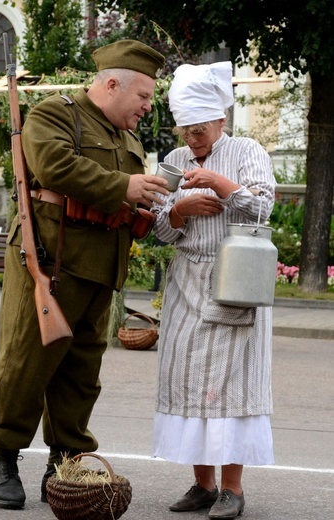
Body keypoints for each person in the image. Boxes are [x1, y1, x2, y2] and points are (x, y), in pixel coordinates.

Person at [0, 39, 168, 509]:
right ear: (112, 84)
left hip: (100, 267)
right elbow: (53, 166)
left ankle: (62, 461)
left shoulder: (128, 139)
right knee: (27, 362)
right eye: (143, 96)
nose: (148, 106)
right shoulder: (55, 114)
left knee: (82, 372)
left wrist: (148, 208)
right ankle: (4, 455)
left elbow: (123, 200)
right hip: (50, 262)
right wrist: (125, 185)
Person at [152, 62, 276, 519]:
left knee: (229, 387)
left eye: (200, 130)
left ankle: (233, 488)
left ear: (220, 120)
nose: (192, 139)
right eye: (185, 130)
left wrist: (221, 185)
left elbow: (263, 209)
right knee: (187, 383)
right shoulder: (172, 161)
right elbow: (160, 229)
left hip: (235, 280)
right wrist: (180, 211)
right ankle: (203, 484)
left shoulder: (246, 150)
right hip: (187, 283)